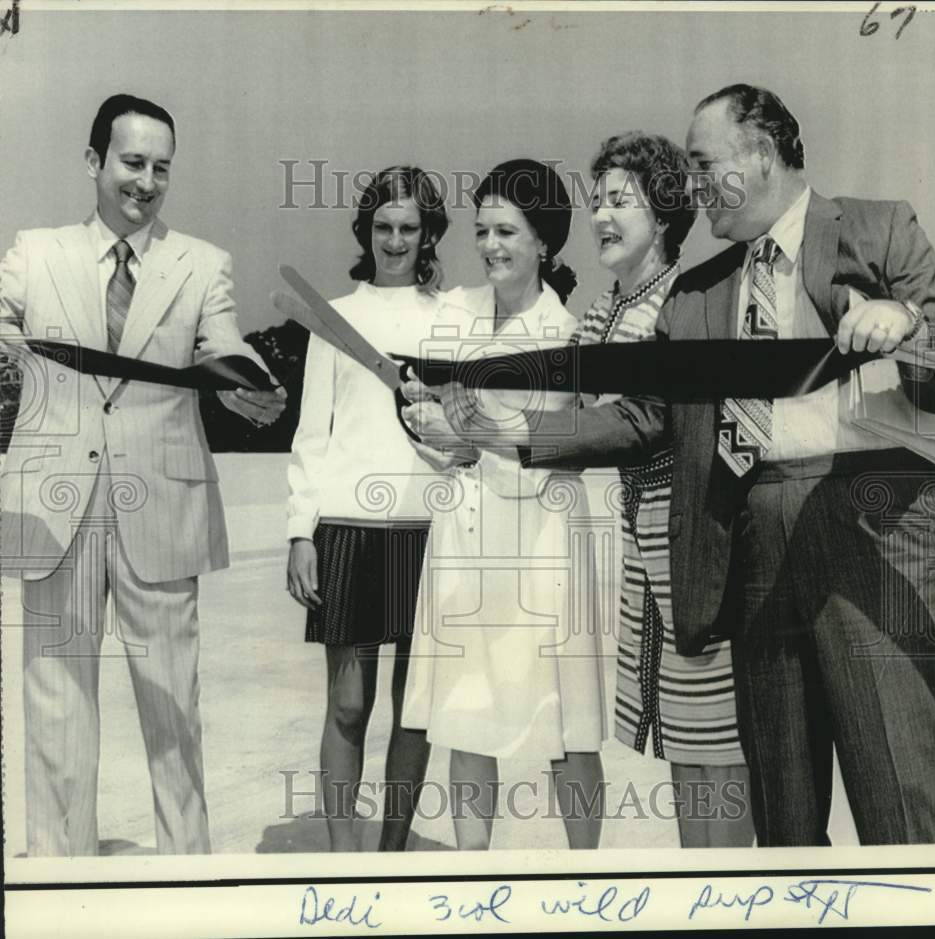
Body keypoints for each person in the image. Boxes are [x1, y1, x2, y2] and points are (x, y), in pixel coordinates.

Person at [445, 85, 935, 847]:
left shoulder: (877, 225)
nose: (692, 184)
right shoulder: (699, 294)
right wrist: (507, 435)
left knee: (897, 798)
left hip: (864, 520)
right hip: (750, 542)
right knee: (783, 811)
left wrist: (903, 319)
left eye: (704, 162)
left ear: (762, 154)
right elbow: (642, 415)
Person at [0, 93, 286, 856]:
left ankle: (186, 874)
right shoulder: (35, 251)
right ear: (94, 161)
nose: (147, 181)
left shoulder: (203, 263)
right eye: (132, 163)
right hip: (54, 505)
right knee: (56, 703)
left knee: (172, 709)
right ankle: (62, 877)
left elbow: (223, 347)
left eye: (162, 167)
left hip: (162, 506)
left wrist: (253, 387)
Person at [400, 159, 607, 850]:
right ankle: (472, 872)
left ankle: (589, 876)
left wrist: (481, 433)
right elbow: (432, 422)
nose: (491, 245)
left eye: (508, 231)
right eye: (483, 229)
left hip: (542, 539)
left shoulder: (567, 333)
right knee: (466, 713)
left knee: (567, 724)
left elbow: (566, 441)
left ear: (544, 241)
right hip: (464, 535)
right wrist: (437, 434)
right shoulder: (454, 310)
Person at [570, 131, 753, 847]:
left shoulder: (693, 297)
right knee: (681, 740)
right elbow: (572, 430)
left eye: (621, 200)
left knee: (718, 743)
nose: (601, 217)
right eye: (596, 202)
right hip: (640, 538)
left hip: (697, 534)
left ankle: (731, 894)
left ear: (665, 213)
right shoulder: (598, 312)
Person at [285, 165, 452, 852]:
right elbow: (311, 433)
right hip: (347, 530)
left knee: (413, 712)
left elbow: (462, 429)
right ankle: (346, 859)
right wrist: (301, 533)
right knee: (349, 704)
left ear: (427, 234)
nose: (394, 240)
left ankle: (393, 855)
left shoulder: (452, 319)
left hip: (427, 531)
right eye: (383, 226)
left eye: (408, 227)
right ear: (366, 230)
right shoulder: (334, 319)